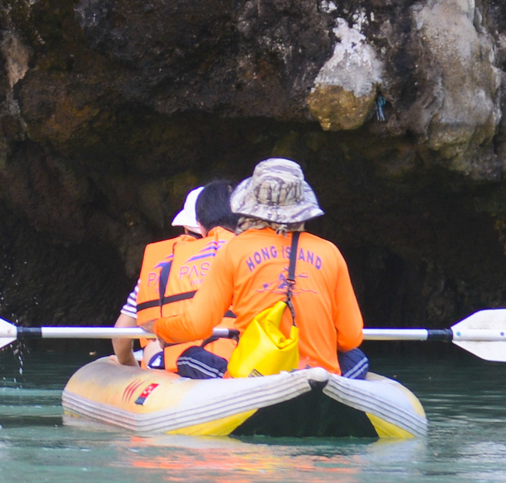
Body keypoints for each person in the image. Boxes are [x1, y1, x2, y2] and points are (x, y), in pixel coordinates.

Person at [168, 157, 367, 379]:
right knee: (356, 357)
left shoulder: (235, 250)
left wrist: (161, 329)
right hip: (318, 374)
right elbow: (350, 338)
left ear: (250, 205)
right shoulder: (330, 252)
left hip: (256, 376)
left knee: (188, 356)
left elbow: (197, 325)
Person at [117, 182, 238, 369]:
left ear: (191, 226)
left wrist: (128, 366)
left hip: (180, 364)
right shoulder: (249, 258)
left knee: (153, 345)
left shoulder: (161, 266)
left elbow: (121, 334)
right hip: (240, 358)